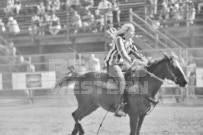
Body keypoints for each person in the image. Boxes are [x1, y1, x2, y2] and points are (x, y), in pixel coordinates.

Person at [104, 23, 147, 117]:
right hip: (112, 64)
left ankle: (131, 102)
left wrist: (143, 60)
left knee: (135, 75)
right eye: (132, 31)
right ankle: (118, 108)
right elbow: (123, 53)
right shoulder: (119, 39)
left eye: (134, 31)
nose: (133, 33)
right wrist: (132, 61)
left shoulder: (130, 41)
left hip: (121, 64)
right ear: (126, 32)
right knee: (122, 81)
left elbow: (135, 53)